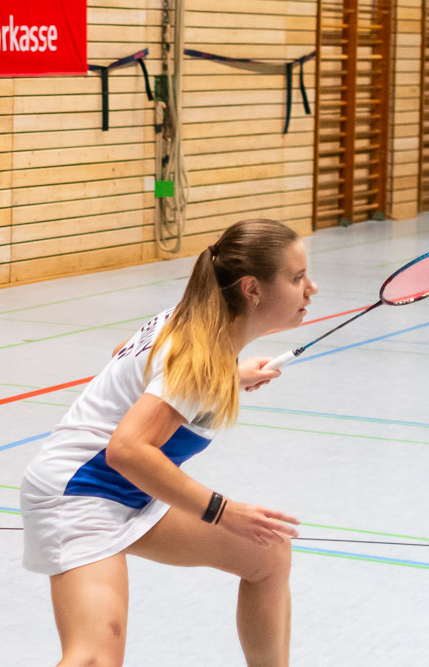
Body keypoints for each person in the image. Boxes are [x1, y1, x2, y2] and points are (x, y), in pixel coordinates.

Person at [21, 218, 317, 667]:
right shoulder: (199, 354)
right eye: (297, 278)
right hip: (79, 494)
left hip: (126, 492)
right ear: (252, 289)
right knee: (94, 658)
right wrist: (222, 510)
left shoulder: (196, 318)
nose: (311, 289)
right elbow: (126, 450)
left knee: (268, 553)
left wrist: (228, 377)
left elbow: (126, 354)